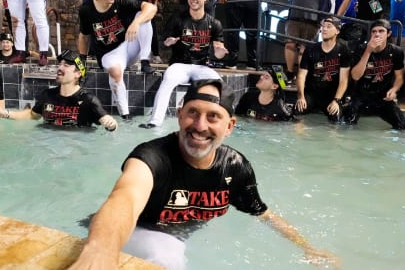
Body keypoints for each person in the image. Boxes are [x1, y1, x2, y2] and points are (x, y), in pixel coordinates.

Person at [68, 79, 338, 270]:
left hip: (177, 236)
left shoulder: (234, 167)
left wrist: (307, 247)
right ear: (178, 115)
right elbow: (125, 197)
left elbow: (262, 213)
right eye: (192, 113)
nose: (199, 126)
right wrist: (101, 251)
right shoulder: (153, 156)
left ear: (230, 126)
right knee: (169, 254)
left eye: (213, 117)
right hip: (123, 233)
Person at [139, 0, 228, 129]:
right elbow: (164, 43)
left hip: (202, 66)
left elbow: (219, 53)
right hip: (179, 64)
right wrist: (168, 42)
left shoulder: (214, 23)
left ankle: (225, 122)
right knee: (167, 81)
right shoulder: (178, 19)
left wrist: (219, 52)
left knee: (220, 84)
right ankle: (155, 121)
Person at [78, 0, 157, 119]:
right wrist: (82, 62)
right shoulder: (86, 10)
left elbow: (152, 8)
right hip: (109, 54)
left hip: (129, 44)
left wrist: (135, 23)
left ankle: (145, 61)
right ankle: (125, 115)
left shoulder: (120, 1)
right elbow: (83, 36)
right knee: (115, 71)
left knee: (144, 16)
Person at [0, 50, 118, 130]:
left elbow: (107, 120)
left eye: (66, 65)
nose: (59, 68)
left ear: (78, 74)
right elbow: (31, 115)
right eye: (59, 64)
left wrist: (112, 124)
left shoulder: (88, 100)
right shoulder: (48, 95)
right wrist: (3, 113)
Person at [284, 0, 337, 81]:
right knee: (290, 44)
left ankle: (302, 77)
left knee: (305, 49)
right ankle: (289, 74)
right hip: (295, 15)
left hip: (313, 18)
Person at [347, 19, 405, 129]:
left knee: (402, 126)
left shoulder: (396, 52)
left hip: (382, 97)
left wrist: (394, 90)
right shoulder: (361, 49)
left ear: (388, 34)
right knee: (347, 125)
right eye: (374, 31)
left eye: (381, 31)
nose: (377, 34)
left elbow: (399, 77)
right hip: (360, 96)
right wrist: (368, 51)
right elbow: (355, 76)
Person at [295, 17, 351, 121]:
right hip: (312, 93)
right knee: (297, 112)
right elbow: (301, 75)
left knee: (336, 118)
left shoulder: (343, 50)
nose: (324, 29)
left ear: (337, 31)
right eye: (323, 26)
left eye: (329, 27)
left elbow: (344, 80)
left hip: (332, 95)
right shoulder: (310, 49)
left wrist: (336, 100)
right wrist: (301, 96)